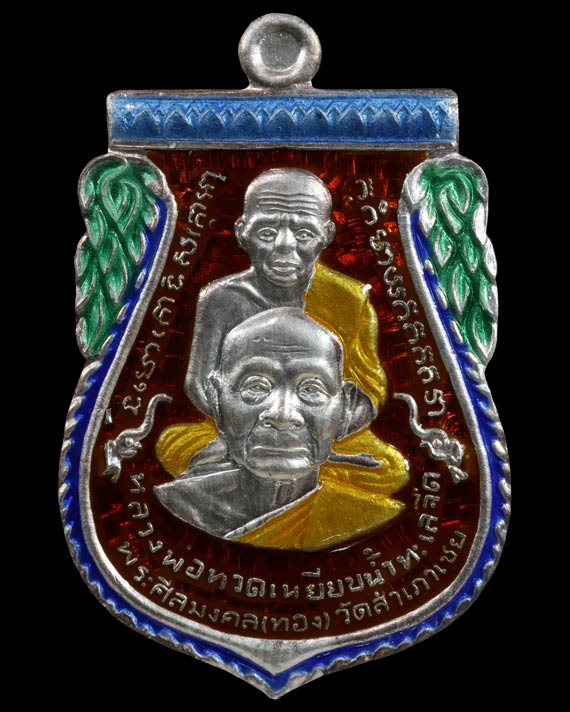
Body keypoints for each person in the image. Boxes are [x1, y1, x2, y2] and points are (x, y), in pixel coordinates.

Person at [155, 167, 392, 476]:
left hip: (320, 427)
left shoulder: (348, 299)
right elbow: (200, 383)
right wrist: (238, 428)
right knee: (173, 445)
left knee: (390, 468)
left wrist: (317, 434)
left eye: (304, 234)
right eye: (266, 232)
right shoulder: (222, 298)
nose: (284, 244)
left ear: (327, 235)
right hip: (239, 424)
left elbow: (369, 389)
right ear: (242, 231)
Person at [155, 309, 407, 549]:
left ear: (346, 409)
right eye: (256, 387)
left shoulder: (371, 518)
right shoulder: (178, 505)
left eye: (311, 389)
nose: (283, 415)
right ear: (217, 401)